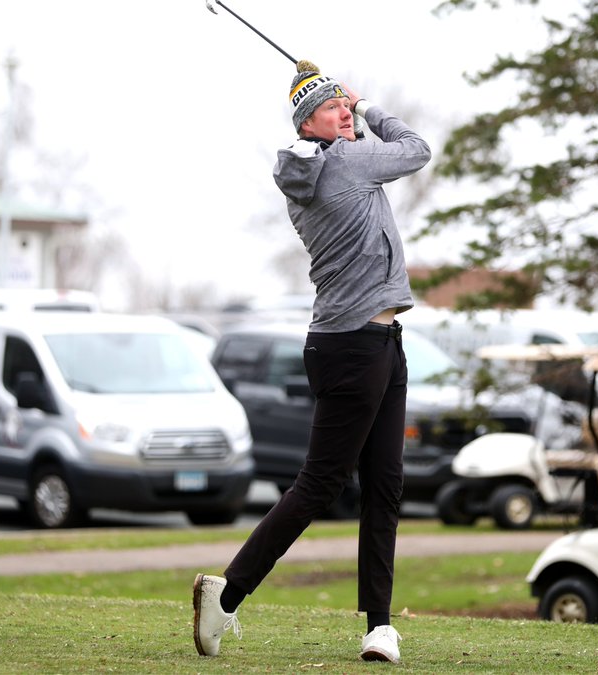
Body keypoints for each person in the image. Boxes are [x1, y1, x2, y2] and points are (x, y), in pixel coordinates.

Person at [192, 60, 431, 664]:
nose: (345, 112)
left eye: (345, 106)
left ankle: (380, 627)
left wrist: (343, 110)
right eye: (333, 109)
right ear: (310, 126)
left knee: (384, 483)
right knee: (321, 484)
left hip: (371, 340)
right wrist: (370, 103)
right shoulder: (347, 161)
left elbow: (359, 150)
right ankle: (228, 593)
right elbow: (416, 148)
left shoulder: (319, 166)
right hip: (355, 345)